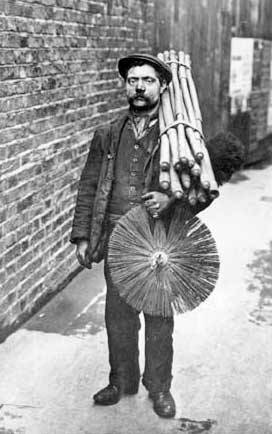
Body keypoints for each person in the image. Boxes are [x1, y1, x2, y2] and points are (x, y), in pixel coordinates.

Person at [70, 53, 245, 418]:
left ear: (162, 86)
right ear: (125, 85)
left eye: (147, 80)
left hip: (161, 239)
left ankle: (159, 388)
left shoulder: (179, 137)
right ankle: (121, 380)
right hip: (118, 237)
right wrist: (83, 237)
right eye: (132, 80)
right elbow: (88, 187)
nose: (138, 86)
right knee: (118, 315)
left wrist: (171, 197)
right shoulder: (106, 135)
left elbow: (202, 188)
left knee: (158, 316)